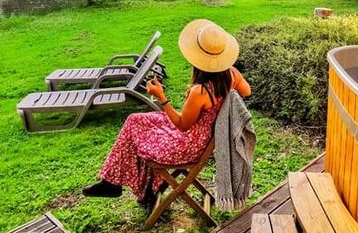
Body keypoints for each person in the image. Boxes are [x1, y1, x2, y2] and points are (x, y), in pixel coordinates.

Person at [83, 19, 251, 205]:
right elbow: (246, 92)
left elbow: (182, 125)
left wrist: (161, 97)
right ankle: (133, 187)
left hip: (189, 145)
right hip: (203, 137)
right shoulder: (232, 74)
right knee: (135, 120)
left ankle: (123, 185)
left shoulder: (201, 92)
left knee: (139, 134)